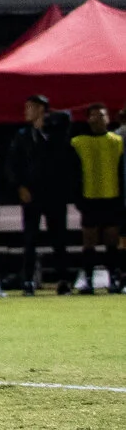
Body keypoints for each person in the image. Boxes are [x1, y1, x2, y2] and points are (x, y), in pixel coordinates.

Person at [6, 96, 74, 295]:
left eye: (30, 108)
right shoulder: (22, 135)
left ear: (41, 109)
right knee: (30, 239)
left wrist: (48, 120)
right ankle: (28, 280)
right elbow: (12, 165)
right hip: (31, 193)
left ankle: (63, 279)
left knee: (58, 237)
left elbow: (66, 121)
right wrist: (19, 186)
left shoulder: (56, 132)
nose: (26, 111)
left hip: (54, 193)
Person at [71, 103, 123, 294]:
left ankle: (114, 280)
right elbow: (73, 173)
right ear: (88, 119)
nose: (98, 119)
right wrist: (77, 198)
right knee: (89, 242)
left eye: (101, 115)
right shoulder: (78, 142)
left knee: (112, 242)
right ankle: (89, 280)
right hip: (89, 198)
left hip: (112, 198)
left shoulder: (117, 141)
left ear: (108, 118)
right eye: (93, 116)